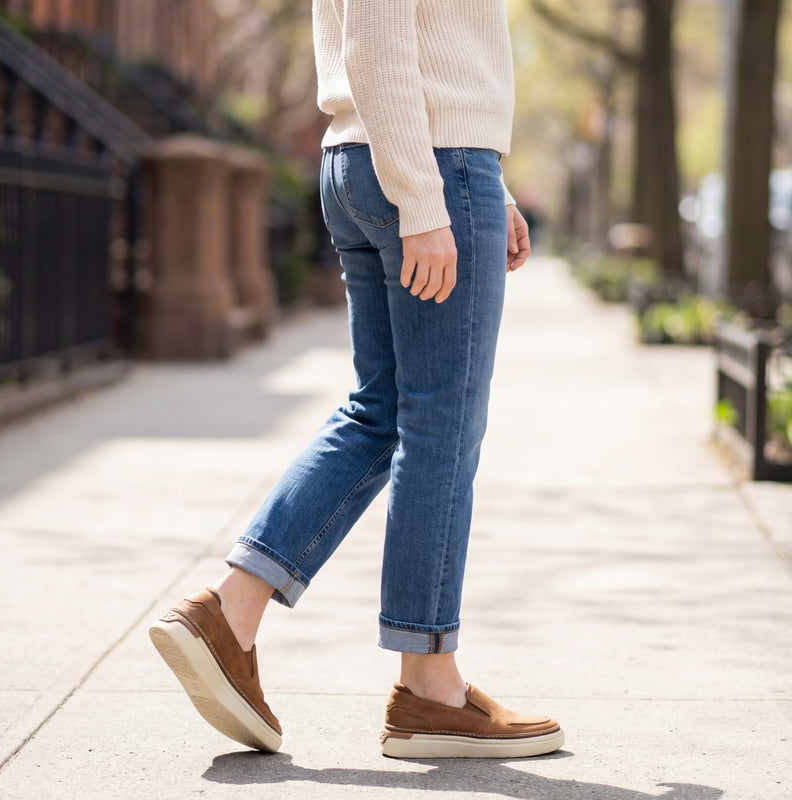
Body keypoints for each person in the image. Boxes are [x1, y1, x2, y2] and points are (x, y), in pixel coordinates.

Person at [149, 0, 564, 759]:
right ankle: (429, 685)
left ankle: (232, 611)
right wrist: (427, 196)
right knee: (441, 425)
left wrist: (481, 179)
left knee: (382, 414)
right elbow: (378, 43)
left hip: (382, 157)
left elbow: (427, 44)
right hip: (420, 164)